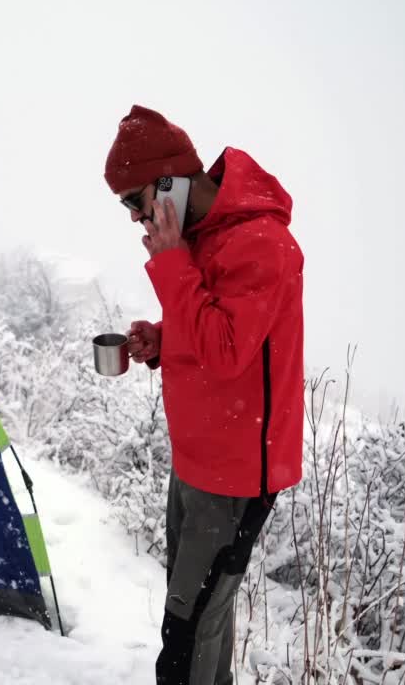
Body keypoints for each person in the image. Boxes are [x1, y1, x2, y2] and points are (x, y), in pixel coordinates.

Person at [103, 105, 304, 685]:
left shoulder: (262, 243)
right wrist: (161, 342)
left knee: (185, 637)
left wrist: (170, 262)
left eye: (136, 200)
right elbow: (210, 326)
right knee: (202, 624)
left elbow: (225, 350)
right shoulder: (206, 239)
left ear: (169, 181)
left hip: (234, 477)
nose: (137, 217)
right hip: (196, 462)